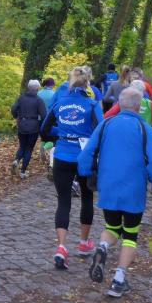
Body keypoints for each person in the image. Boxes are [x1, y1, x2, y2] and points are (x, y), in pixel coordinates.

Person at [78, 87, 152, 297]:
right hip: (134, 189)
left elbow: (87, 153)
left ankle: (102, 246)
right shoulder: (144, 128)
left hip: (108, 186)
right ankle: (119, 280)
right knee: (130, 234)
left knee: (112, 227)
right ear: (140, 105)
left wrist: (86, 174)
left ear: (119, 104)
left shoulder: (106, 124)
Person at [40, 66, 103, 269]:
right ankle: (84, 243)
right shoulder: (92, 104)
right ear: (87, 84)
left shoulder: (60, 103)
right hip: (84, 157)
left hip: (62, 156)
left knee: (64, 200)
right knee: (86, 198)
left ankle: (61, 247)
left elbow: (44, 130)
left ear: (70, 82)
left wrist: (62, 133)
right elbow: (101, 130)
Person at [11, 79, 47, 179]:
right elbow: (44, 115)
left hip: (22, 125)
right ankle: (23, 172)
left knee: (22, 146)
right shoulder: (39, 100)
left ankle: (16, 160)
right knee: (29, 149)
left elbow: (13, 109)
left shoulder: (21, 98)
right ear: (37, 89)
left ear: (28, 87)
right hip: (33, 127)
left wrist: (16, 116)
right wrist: (41, 125)